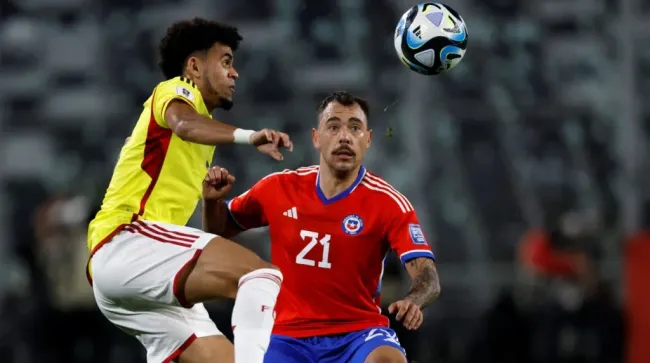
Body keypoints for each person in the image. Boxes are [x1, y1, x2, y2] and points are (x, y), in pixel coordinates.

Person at [87, 18, 293, 363]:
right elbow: (184, 125)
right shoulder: (175, 91)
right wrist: (248, 135)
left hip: (133, 275)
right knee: (261, 275)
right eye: (226, 61)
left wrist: (211, 203)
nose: (235, 73)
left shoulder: (198, 137)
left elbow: (209, 235)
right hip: (126, 239)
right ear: (194, 67)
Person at [201, 91, 441, 363]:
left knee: (387, 360)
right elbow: (220, 229)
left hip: (358, 333)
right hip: (287, 334)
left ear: (368, 140)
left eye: (354, 127)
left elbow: (427, 275)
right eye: (334, 126)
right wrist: (212, 203)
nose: (344, 137)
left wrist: (414, 300)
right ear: (317, 138)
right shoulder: (278, 188)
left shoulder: (389, 203)